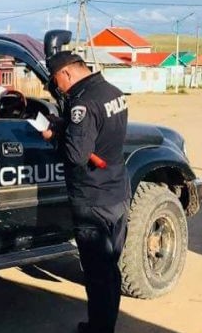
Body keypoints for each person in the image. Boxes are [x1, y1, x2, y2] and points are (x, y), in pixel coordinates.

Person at [41, 51, 131, 333]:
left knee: (97, 274)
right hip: (116, 193)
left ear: (66, 73)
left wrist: (54, 136)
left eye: (55, 81)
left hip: (92, 200)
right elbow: (101, 135)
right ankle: (105, 325)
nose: (57, 88)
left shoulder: (82, 103)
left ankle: (99, 329)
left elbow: (76, 155)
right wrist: (66, 127)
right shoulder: (113, 92)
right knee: (110, 268)